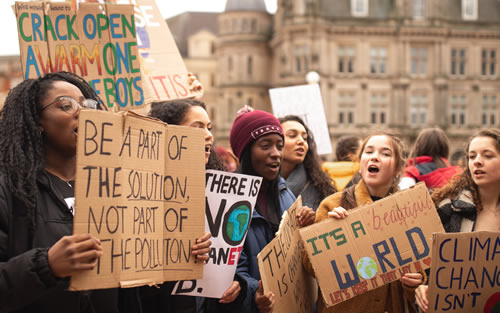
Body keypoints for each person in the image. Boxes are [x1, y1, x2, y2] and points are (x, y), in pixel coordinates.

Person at [0, 72, 210, 313]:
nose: (82, 112)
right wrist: (47, 266)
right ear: (37, 121)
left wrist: (176, 252)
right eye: (66, 106)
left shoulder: (119, 188)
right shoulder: (10, 191)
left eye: (88, 105)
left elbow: (132, 289)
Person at [305, 132, 424, 313]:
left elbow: (419, 282)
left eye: (385, 154)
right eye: (369, 152)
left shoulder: (409, 212)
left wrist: (415, 282)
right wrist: (327, 233)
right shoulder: (332, 204)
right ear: (360, 164)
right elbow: (311, 268)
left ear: (398, 168)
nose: (375, 157)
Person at [150, 98, 244, 313]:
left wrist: (237, 281)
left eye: (209, 128)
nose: (209, 135)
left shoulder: (221, 191)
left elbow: (235, 255)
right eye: (198, 127)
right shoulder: (143, 188)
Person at [229, 109, 315, 313]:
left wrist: (308, 227)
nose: (276, 153)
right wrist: (254, 296)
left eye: (279, 145)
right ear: (246, 152)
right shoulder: (230, 203)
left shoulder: (286, 195)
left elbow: (300, 257)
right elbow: (232, 270)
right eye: (265, 146)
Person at [414, 129, 500, 312]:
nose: (477, 161)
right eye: (471, 156)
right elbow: (428, 267)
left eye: (488, 155)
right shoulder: (448, 208)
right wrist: (423, 287)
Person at [278, 115, 336, 211]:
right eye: (292, 135)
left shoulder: (321, 187)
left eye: (305, 138)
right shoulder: (259, 185)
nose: (301, 141)